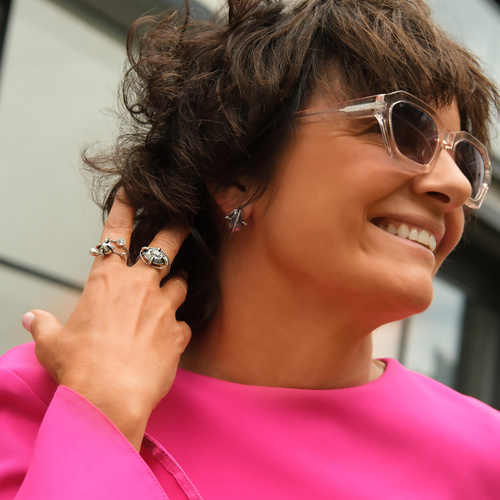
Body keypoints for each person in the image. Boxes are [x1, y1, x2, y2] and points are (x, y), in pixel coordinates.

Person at [1, 0, 500, 498]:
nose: (456, 184)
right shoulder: (39, 403)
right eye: (404, 128)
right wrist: (98, 416)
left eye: (465, 160)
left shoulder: (485, 458)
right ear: (237, 171)